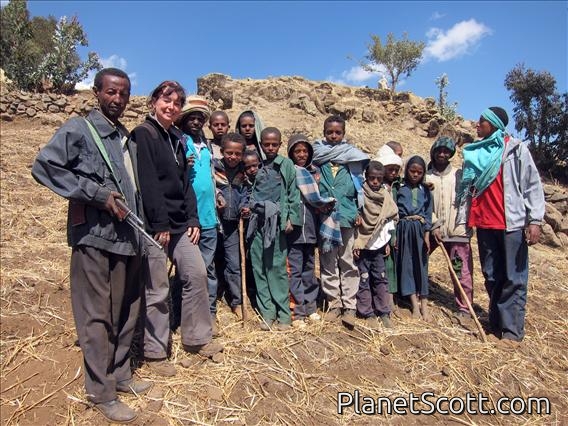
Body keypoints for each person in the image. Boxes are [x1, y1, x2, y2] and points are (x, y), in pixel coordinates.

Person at [31, 68, 149, 423]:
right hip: (95, 237)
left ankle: (121, 374)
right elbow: (44, 166)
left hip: (128, 239)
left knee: (127, 311)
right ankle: (101, 392)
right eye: (111, 92)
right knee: (97, 316)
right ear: (97, 93)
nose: (118, 99)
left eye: (124, 94)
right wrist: (97, 195)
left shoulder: (125, 138)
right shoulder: (79, 130)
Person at [132, 81, 222, 378]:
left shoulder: (176, 139)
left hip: (181, 224)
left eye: (176, 103)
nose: (171, 106)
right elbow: (148, 183)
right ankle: (156, 352)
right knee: (157, 287)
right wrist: (160, 224)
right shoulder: (143, 135)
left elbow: (186, 184)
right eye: (166, 100)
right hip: (154, 226)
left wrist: (193, 220)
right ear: (153, 102)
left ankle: (197, 339)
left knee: (195, 273)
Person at [459, 107, 544, 343]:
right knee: (492, 275)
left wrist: (534, 220)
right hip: (485, 224)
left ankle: (512, 331)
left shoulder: (515, 150)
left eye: (482, 121)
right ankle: (496, 322)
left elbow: (532, 185)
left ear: (494, 124)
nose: (477, 124)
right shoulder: (476, 153)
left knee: (513, 277)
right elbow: (468, 191)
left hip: (511, 224)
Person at [312, 115, 369, 325]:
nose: (333, 136)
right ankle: (333, 303)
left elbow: (361, 190)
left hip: (347, 217)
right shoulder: (317, 158)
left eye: (338, 132)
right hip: (326, 218)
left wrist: (359, 212)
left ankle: (349, 306)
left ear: (343, 134)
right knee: (328, 262)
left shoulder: (353, 159)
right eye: (330, 132)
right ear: (324, 132)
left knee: (347, 261)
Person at [248, 127, 301, 330]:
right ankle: (267, 313)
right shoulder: (256, 164)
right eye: (266, 144)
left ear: (280, 144)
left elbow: (292, 193)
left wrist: (290, 219)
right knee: (258, 267)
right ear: (261, 144)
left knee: (276, 268)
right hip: (257, 222)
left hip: (276, 222)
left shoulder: (285, 164)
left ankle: (284, 315)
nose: (270, 148)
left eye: (274, 144)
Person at [177, 95, 221, 334]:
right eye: (191, 117)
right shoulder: (178, 142)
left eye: (199, 118)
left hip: (209, 217)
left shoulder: (206, 145)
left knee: (209, 268)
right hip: (187, 219)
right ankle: (187, 315)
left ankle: (209, 314)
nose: (195, 122)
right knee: (191, 271)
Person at [287, 134, 335, 328]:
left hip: (311, 231)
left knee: (309, 270)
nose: (301, 154)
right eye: (297, 151)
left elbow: (320, 200)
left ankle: (311, 308)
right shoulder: (289, 172)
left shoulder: (315, 173)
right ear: (291, 153)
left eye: (305, 151)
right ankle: (297, 313)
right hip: (294, 233)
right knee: (295, 272)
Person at [426, 136, 474, 317]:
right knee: (417, 261)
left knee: (460, 270)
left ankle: (464, 307)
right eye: (439, 150)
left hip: (457, 231)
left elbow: (467, 201)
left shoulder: (459, 175)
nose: (442, 154)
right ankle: (414, 294)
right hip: (432, 230)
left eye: (446, 151)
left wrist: (465, 225)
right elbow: (424, 204)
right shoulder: (426, 176)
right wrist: (433, 224)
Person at [353, 161, 399, 328]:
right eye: (371, 178)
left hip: (379, 244)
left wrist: (387, 241)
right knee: (363, 278)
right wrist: (357, 243)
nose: (375, 182)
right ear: (366, 177)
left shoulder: (386, 195)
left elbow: (390, 219)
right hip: (363, 243)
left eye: (378, 179)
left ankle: (383, 311)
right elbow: (356, 220)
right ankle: (366, 312)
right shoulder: (359, 193)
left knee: (380, 278)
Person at [213, 132, 250, 317]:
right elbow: (210, 187)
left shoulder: (243, 172)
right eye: (229, 153)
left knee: (234, 265)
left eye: (237, 154)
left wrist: (244, 206)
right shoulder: (213, 167)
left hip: (232, 226)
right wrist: (217, 196)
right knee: (211, 263)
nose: (233, 157)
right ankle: (211, 301)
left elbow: (246, 193)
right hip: (213, 223)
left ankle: (237, 301)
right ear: (222, 151)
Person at [396, 156, 433, 321]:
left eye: (419, 172)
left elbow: (428, 214)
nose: (415, 174)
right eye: (412, 171)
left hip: (419, 229)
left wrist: (427, 235)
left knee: (421, 266)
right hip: (403, 229)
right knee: (407, 265)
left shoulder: (426, 191)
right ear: (406, 171)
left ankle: (424, 303)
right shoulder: (399, 188)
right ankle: (414, 305)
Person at [374, 145, 403, 307]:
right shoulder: (378, 186)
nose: (393, 173)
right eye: (389, 169)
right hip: (380, 229)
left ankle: (392, 298)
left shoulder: (398, 186)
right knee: (383, 264)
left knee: (392, 263)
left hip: (395, 230)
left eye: (396, 170)